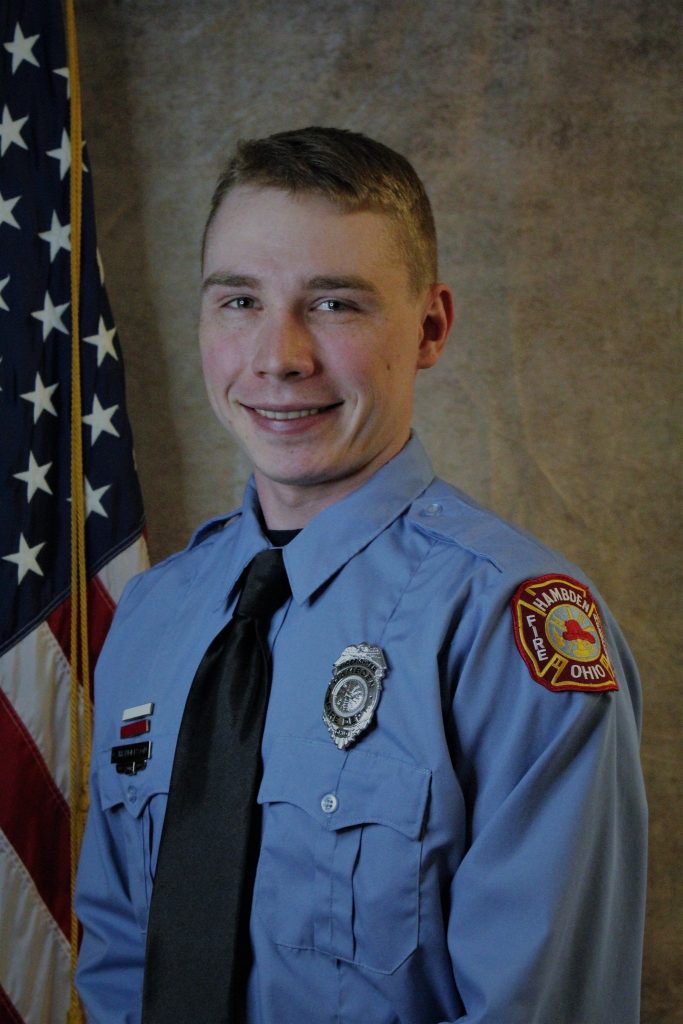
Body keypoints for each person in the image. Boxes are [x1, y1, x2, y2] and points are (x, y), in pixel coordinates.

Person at [75, 127, 647, 1024]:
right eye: (238, 302)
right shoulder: (155, 613)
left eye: (335, 304)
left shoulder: (507, 624)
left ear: (430, 328)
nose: (278, 356)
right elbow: (118, 966)